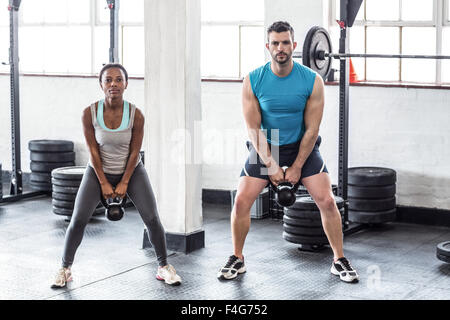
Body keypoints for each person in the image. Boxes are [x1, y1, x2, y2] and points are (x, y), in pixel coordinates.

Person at [217, 21, 359, 283]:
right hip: (265, 146)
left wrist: (296, 166)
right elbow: (253, 129)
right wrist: (270, 165)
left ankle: (339, 259)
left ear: (294, 46)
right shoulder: (253, 79)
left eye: (285, 43)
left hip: (301, 147)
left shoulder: (312, 80)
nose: (280, 48)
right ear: (267, 46)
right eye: (275, 43)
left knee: (327, 201)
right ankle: (238, 257)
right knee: (240, 201)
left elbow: (312, 130)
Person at [51, 63, 181, 288]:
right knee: (79, 219)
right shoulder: (89, 113)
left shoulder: (136, 114)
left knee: (151, 218)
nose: (114, 84)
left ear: (126, 84)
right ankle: (65, 268)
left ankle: (163, 267)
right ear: (101, 84)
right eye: (108, 80)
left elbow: (134, 151)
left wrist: (124, 181)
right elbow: (92, 151)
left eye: (119, 80)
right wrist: (103, 182)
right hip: (97, 170)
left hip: (132, 169)